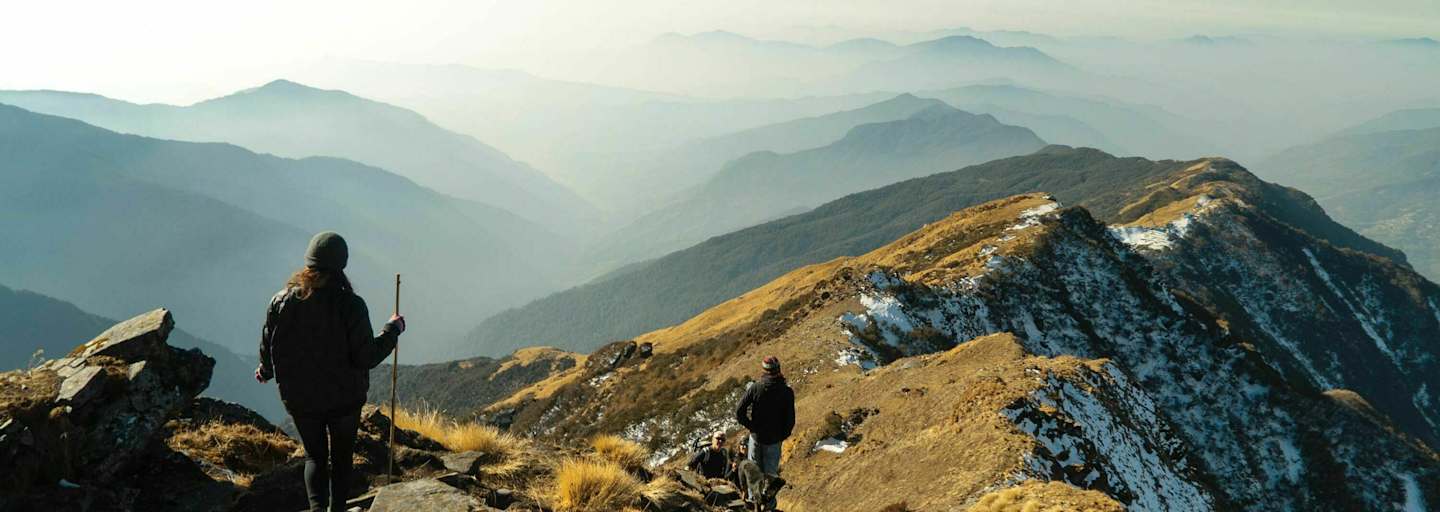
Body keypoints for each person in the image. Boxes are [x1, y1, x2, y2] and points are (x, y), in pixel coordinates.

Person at [255, 232, 405, 512]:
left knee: (314, 458)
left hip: (299, 398)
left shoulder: (282, 300)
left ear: (309, 261)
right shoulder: (351, 305)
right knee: (341, 458)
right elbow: (366, 356)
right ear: (342, 264)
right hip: (344, 400)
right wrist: (391, 331)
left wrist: (266, 369)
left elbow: (269, 340)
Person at [734, 356, 795, 510]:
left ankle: (753, 505)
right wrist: (782, 436)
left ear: (764, 371)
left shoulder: (756, 388)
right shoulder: (786, 392)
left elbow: (739, 411)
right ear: (778, 370)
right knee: (770, 476)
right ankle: (769, 507)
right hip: (774, 441)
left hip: (756, 438)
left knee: (754, 472)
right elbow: (790, 421)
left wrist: (751, 427)